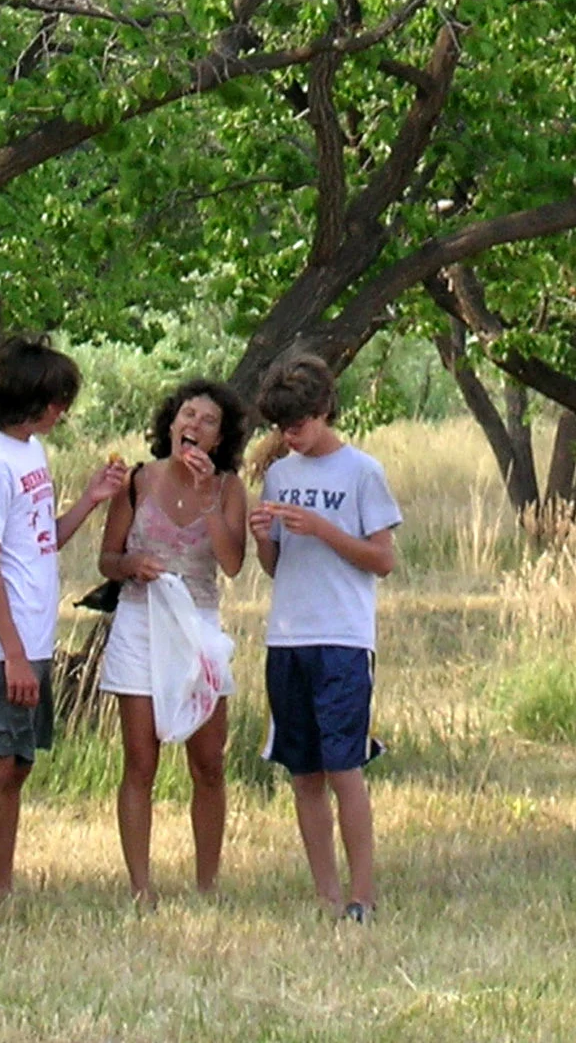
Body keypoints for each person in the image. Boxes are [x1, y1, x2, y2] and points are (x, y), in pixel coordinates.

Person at [0, 338, 127, 903]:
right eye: (56, 399)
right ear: (29, 399)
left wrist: (91, 500)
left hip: (33, 634)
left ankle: (2, 887)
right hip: (0, 641)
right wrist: (10, 652)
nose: (63, 410)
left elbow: (40, 539)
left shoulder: (31, 455)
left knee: (18, 764)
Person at [250, 352, 401, 923]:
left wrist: (324, 530)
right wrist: (264, 536)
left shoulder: (362, 472)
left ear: (324, 411)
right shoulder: (281, 473)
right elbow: (274, 566)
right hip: (287, 636)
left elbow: (382, 559)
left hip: (342, 636)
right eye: (281, 427)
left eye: (299, 424)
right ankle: (326, 895)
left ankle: (362, 896)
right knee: (304, 771)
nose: (290, 436)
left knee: (344, 767)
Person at [97, 377, 248, 902]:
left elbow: (232, 563)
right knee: (140, 759)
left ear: (220, 438)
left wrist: (209, 499)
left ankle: (208, 884)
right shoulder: (137, 481)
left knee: (208, 762)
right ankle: (142, 888)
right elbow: (106, 560)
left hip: (199, 624)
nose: (195, 426)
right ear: (171, 422)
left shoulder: (229, 488)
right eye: (188, 415)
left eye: (208, 421)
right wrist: (131, 565)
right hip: (141, 621)